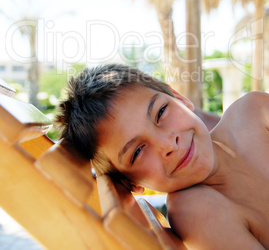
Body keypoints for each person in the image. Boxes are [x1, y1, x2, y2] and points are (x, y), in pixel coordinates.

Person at [56, 63, 269, 249]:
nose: (168, 144)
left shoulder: (255, 112)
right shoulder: (196, 210)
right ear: (131, 183)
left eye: (160, 113)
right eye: (138, 151)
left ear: (180, 99)